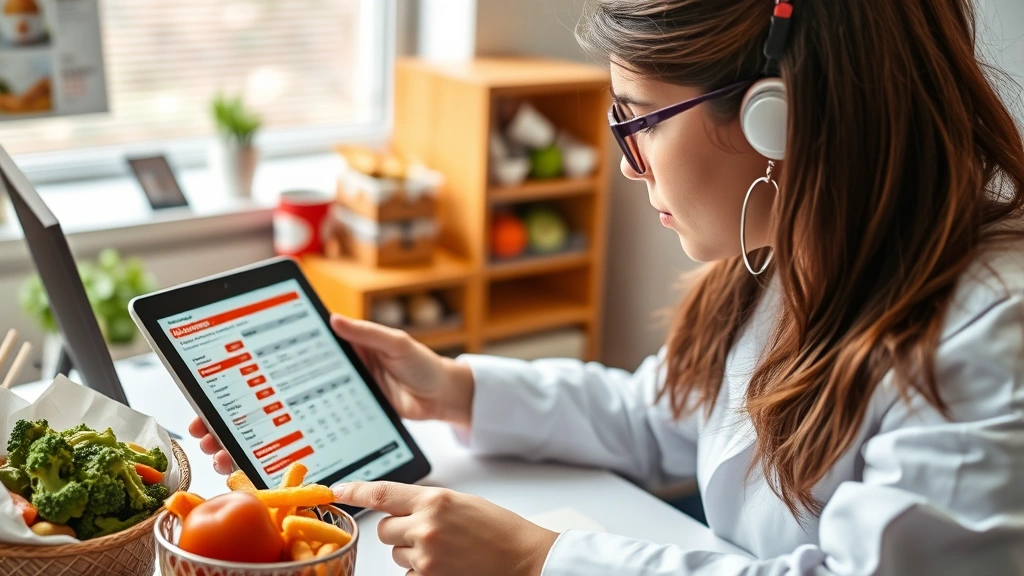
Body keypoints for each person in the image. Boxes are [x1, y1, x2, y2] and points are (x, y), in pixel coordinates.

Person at [191, 0, 1024, 574]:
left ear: (776, 114)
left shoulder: (989, 335)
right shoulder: (790, 262)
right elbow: (659, 417)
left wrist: (537, 559)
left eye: (637, 123)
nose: (631, 169)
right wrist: (450, 387)